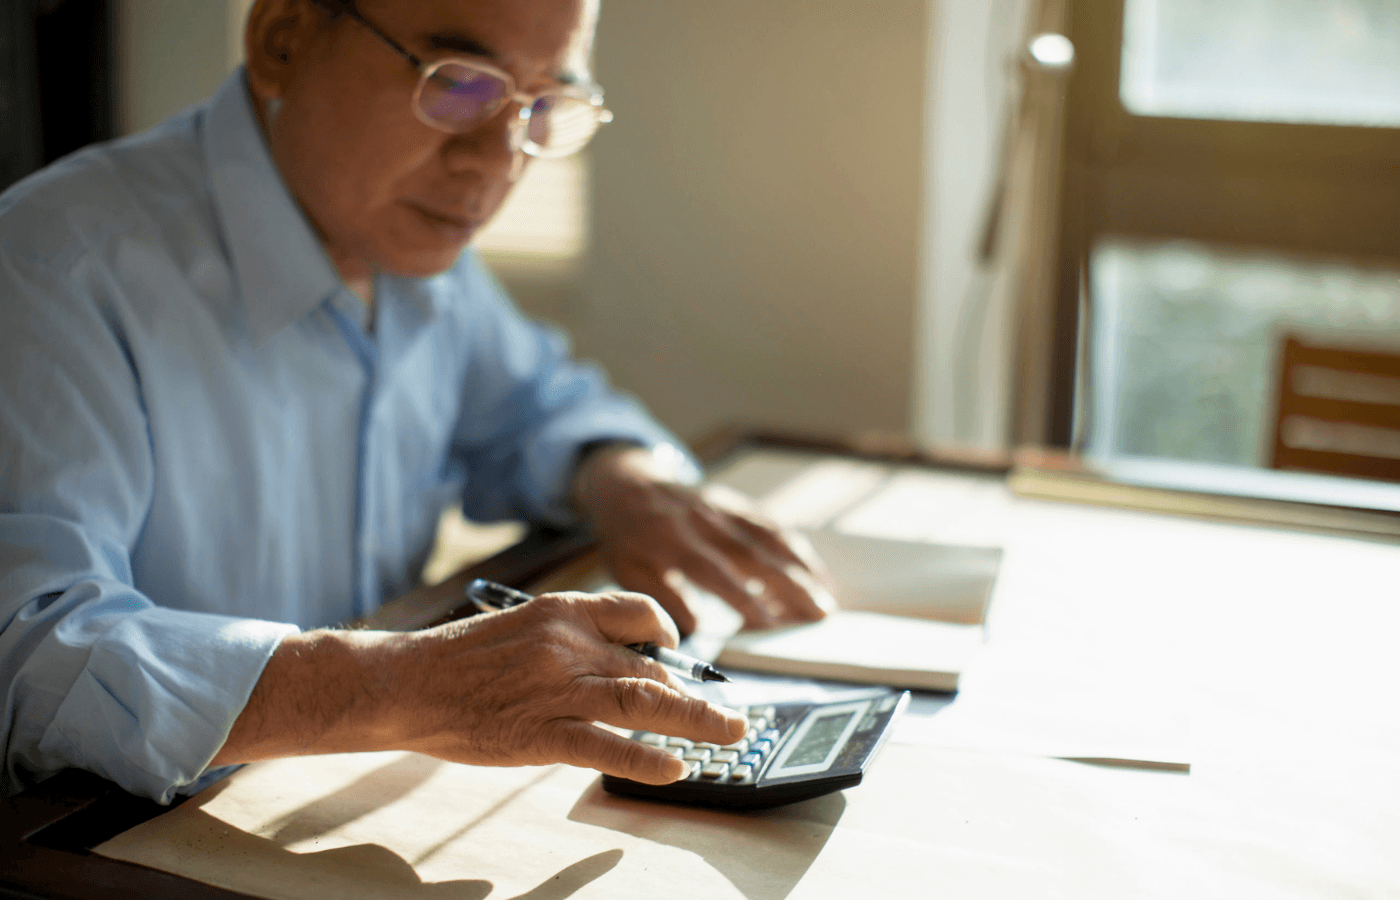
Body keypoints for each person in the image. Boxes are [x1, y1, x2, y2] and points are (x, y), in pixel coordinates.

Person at [0, 0, 833, 803]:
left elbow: (540, 404)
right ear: (282, 38)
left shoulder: (404, 244)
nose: (498, 159)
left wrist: (625, 481)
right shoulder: (51, 272)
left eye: (542, 106)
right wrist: (399, 683)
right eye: (458, 82)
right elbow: (28, 652)